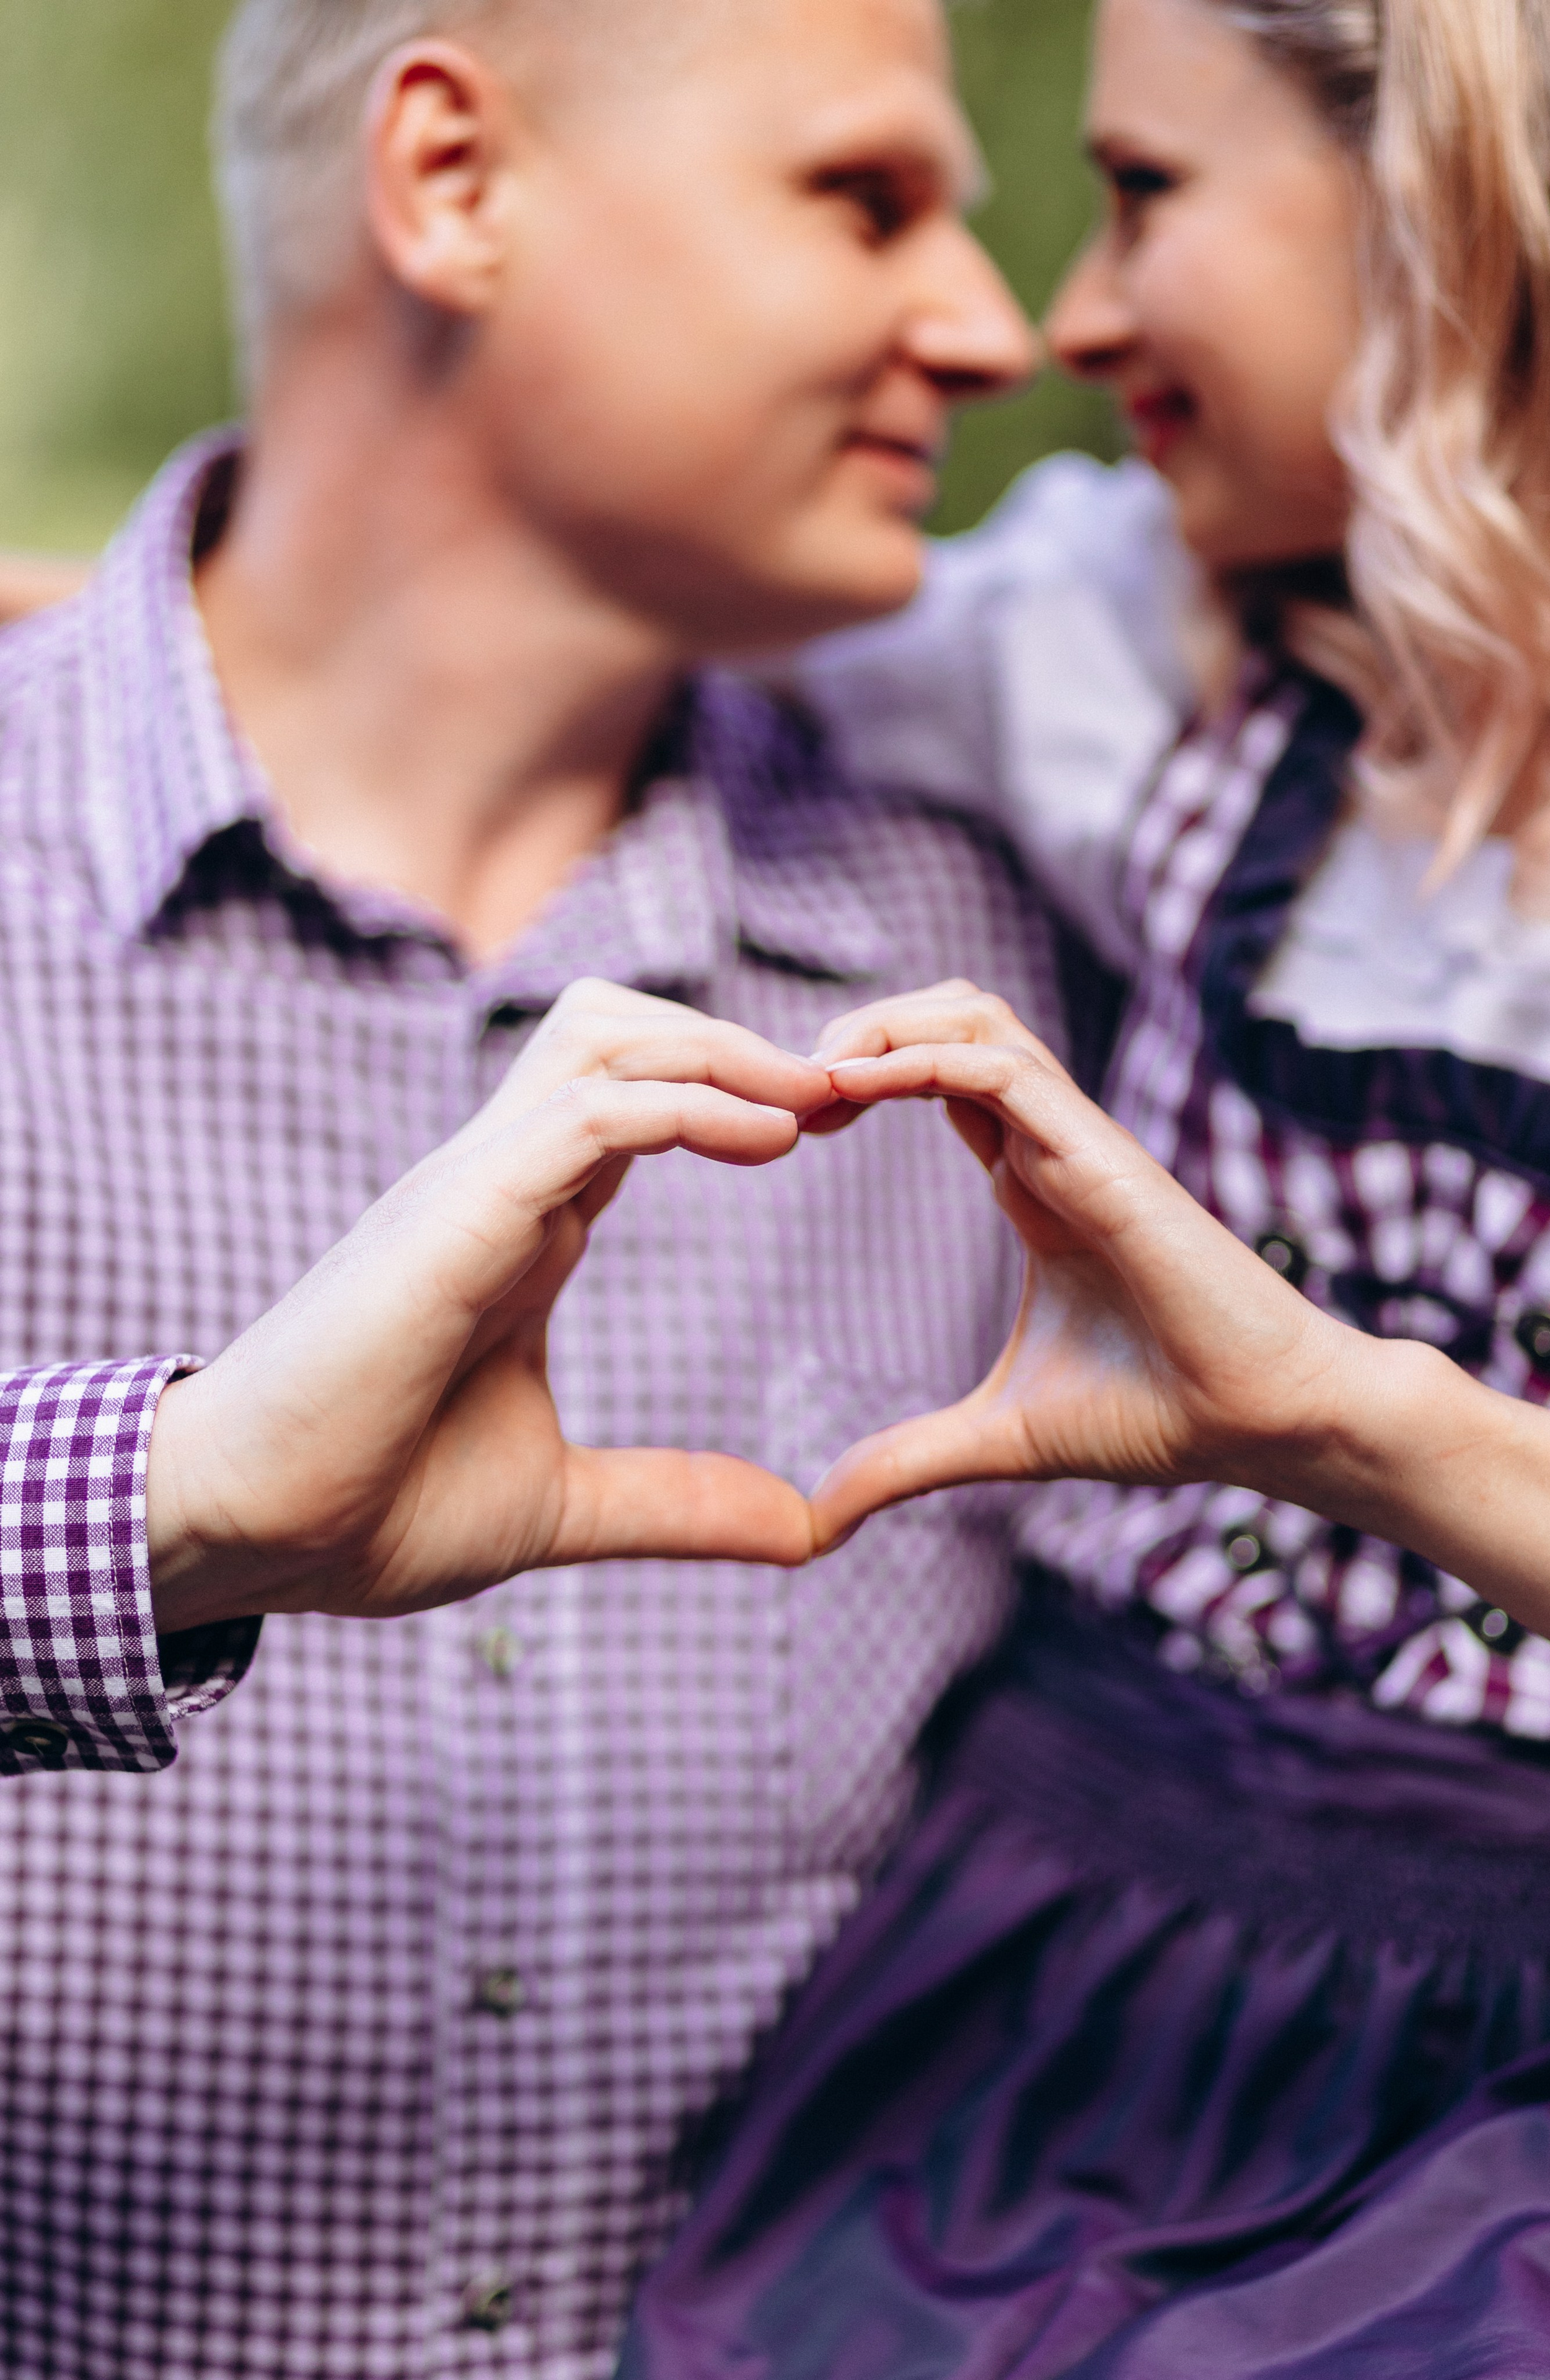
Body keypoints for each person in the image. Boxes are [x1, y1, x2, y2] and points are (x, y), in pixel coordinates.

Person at [0, 0, 1197, 2371]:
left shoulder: (1021, 976)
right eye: (863, 198)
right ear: (453, 179)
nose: (987, 323)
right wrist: (166, 1509)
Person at [616, 0, 1550, 2371]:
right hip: (1064, 1923)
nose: (1064, 313)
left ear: (1448, 204)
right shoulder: (1126, 663)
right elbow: (544, 591)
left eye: (1146, 191)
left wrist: (1370, 1435)